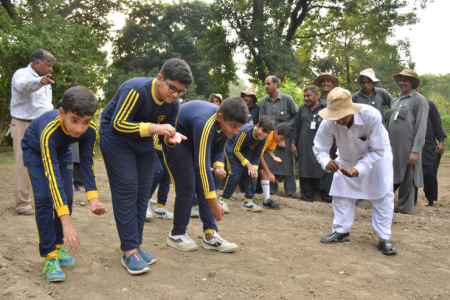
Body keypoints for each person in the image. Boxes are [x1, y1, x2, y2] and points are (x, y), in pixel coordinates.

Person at [100, 58, 193, 274]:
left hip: (142, 140)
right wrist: (154, 127)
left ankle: (137, 243)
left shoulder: (173, 103)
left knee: (144, 190)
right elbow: (118, 124)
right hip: (115, 139)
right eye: (172, 88)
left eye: (181, 91)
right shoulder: (136, 89)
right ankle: (129, 251)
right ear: (159, 78)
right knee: (127, 188)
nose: (176, 95)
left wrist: (170, 138)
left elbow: (162, 134)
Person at [21, 86, 108, 281]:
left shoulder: (90, 131)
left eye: (86, 122)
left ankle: (59, 246)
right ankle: (50, 255)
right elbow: (53, 177)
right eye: (74, 121)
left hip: (62, 152)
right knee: (44, 198)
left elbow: (87, 165)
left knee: (67, 197)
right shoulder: (49, 130)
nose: (79, 129)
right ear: (62, 113)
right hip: (35, 151)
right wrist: (67, 222)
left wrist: (93, 198)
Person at [313, 87, 397, 255]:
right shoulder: (329, 121)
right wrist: (326, 162)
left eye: (340, 117)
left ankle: (383, 238)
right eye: (334, 117)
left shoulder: (371, 116)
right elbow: (320, 147)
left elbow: (377, 150)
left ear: (351, 110)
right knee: (341, 192)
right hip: (346, 157)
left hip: (377, 156)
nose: (337, 121)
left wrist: (358, 169)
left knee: (382, 194)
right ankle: (342, 231)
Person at [163, 98, 248, 253]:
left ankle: (210, 235)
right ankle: (176, 234)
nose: (235, 132)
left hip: (195, 144)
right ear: (221, 117)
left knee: (206, 183)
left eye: (239, 127)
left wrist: (219, 166)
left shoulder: (225, 126)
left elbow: (217, 148)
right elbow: (201, 165)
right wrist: (214, 203)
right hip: (177, 143)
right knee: (188, 186)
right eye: (233, 126)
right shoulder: (205, 123)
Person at [10, 49, 56, 215]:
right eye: (48, 66)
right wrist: (39, 81)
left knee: (47, 163)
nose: (50, 69)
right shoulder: (21, 75)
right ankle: (22, 204)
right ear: (37, 63)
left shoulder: (44, 80)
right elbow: (23, 87)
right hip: (24, 125)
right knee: (24, 165)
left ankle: (47, 201)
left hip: (42, 125)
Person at [386, 69, 428, 214]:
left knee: (408, 179)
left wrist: (415, 150)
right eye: (400, 80)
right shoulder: (395, 100)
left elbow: (421, 127)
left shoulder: (419, 100)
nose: (401, 83)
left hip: (408, 148)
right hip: (393, 148)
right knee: (389, 176)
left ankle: (405, 210)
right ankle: (386, 206)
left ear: (412, 82)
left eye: (405, 80)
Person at [218, 115, 275, 213]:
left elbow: (257, 154)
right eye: (263, 131)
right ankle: (223, 200)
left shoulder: (264, 138)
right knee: (236, 171)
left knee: (253, 172)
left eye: (268, 133)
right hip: (232, 146)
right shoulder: (245, 131)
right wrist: (249, 165)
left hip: (244, 148)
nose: (265, 134)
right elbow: (236, 150)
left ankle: (248, 202)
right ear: (257, 126)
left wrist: (254, 168)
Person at [291, 85, 333, 203]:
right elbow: (297, 127)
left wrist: (336, 142)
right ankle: (307, 198)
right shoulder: (302, 109)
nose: (306, 98)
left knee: (324, 169)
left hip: (324, 147)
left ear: (316, 94)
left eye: (308, 95)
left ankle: (326, 199)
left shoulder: (326, 108)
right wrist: (293, 143)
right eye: (304, 96)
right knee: (306, 169)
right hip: (304, 146)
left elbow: (334, 126)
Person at [259, 76, 298, 197]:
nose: (266, 86)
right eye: (265, 84)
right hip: (270, 139)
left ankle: (290, 194)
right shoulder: (264, 101)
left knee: (289, 166)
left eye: (268, 84)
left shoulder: (287, 99)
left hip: (285, 138)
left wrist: (285, 127)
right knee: (271, 163)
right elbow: (261, 120)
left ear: (276, 84)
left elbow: (296, 116)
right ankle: (272, 192)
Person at [56, 83, 85, 192]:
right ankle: (63, 183)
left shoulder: (82, 104)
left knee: (77, 158)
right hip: (63, 134)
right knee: (63, 158)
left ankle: (78, 184)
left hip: (77, 134)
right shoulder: (61, 103)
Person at [259, 123, 291, 208]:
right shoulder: (266, 136)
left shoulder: (274, 138)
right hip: (251, 152)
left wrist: (274, 157)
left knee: (263, 174)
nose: (281, 141)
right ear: (276, 132)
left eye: (283, 140)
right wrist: (269, 172)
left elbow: (268, 149)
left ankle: (266, 200)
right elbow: (260, 155)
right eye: (281, 138)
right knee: (257, 173)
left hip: (258, 154)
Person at [421, 98, 446, 207]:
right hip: (411, 144)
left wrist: (441, 141)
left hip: (429, 144)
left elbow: (437, 123)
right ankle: (412, 201)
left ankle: (430, 201)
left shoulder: (429, 104)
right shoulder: (404, 103)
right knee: (411, 173)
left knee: (430, 172)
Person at [145, 134, 173, 220]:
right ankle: (144, 203)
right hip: (152, 145)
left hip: (165, 147)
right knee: (158, 170)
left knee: (166, 174)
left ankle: (160, 207)